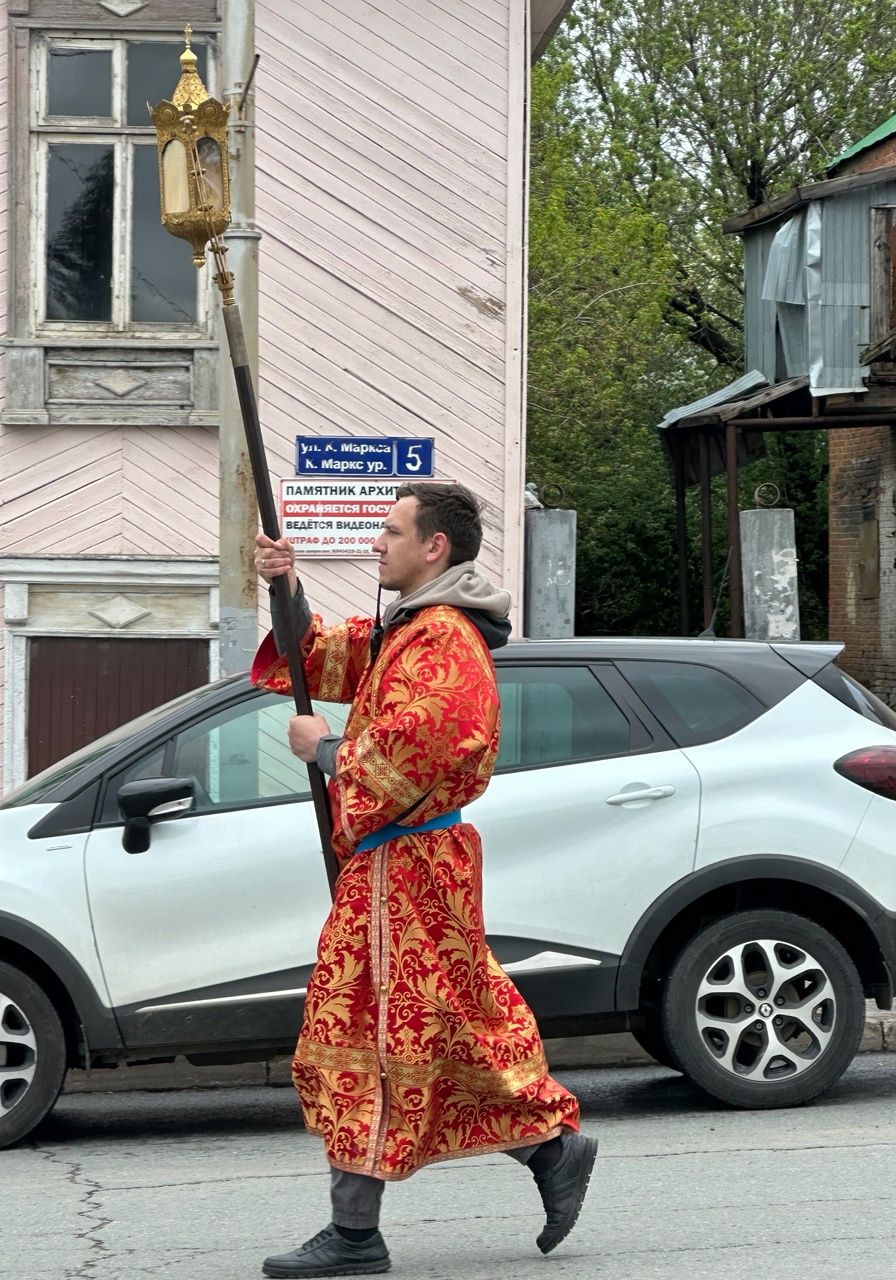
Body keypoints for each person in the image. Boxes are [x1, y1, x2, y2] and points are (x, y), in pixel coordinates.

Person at [251, 482, 597, 1278]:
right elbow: (317, 657)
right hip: (399, 868)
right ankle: (552, 1150)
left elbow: (435, 739)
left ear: (434, 547)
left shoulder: (442, 637)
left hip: (409, 867)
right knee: (425, 1030)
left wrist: (329, 751)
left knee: (364, 1035)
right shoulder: (409, 628)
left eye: (391, 530)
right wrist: (285, 584)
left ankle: (354, 1236)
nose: (377, 542)